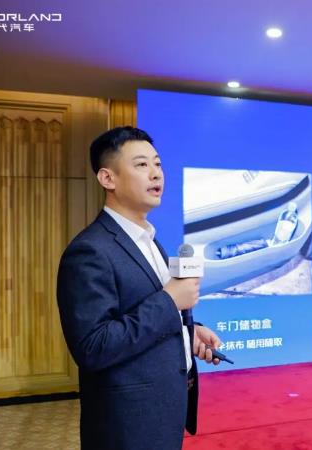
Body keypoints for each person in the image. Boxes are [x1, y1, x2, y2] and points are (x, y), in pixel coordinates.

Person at [57, 126, 221, 449]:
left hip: (162, 414)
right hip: (127, 425)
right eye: (141, 165)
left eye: (157, 164)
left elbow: (140, 313)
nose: (156, 174)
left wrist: (187, 332)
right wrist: (170, 302)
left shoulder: (148, 240)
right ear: (108, 178)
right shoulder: (90, 250)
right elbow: (93, 346)